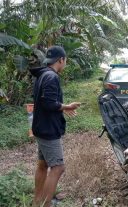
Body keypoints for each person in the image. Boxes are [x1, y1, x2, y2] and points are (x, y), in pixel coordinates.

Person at [30, 46, 81, 207]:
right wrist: (66, 106)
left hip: (40, 126)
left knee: (43, 165)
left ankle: (37, 201)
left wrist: (62, 108)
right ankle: (45, 204)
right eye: (65, 61)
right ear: (61, 60)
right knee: (58, 167)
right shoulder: (52, 77)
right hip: (48, 130)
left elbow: (46, 102)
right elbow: (48, 103)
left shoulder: (43, 75)